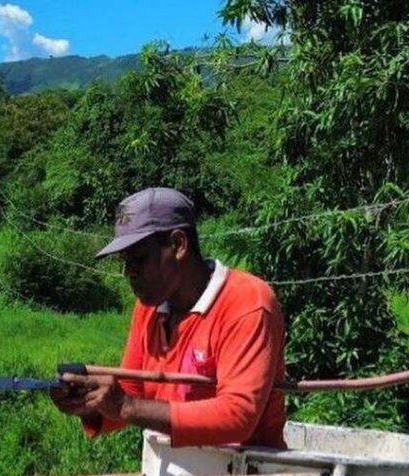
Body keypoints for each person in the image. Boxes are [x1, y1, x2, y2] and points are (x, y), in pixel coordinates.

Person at [51, 187, 287, 449]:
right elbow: (132, 392)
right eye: (125, 262)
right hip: (170, 466)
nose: (129, 272)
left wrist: (126, 406)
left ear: (178, 245)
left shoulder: (247, 303)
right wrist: (89, 404)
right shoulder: (150, 308)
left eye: (139, 259)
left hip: (245, 469)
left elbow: (238, 415)